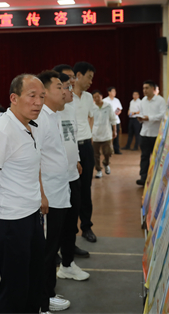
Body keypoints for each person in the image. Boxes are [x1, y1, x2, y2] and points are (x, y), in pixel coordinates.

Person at [0, 74, 47, 314]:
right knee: (15, 287)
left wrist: (41, 196)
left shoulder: (29, 125)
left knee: (34, 279)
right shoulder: (3, 131)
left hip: (31, 215)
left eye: (42, 97)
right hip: (11, 221)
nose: (38, 102)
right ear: (14, 98)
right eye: (32, 96)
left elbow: (32, 167)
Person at [33, 71, 73, 313]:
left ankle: (48, 294)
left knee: (52, 249)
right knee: (45, 253)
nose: (65, 91)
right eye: (60, 87)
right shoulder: (40, 119)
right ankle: (40, 303)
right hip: (48, 196)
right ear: (45, 92)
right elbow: (34, 159)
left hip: (58, 193)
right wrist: (41, 194)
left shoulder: (54, 116)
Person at [52, 64, 90, 260]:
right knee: (57, 218)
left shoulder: (72, 105)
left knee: (72, 214)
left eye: (70, 81)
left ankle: (69, 251)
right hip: (57, 174)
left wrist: (77, 159)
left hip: (72, 170)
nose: (71, 85)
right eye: (66, 84)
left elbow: (72, 136)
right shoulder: (50, 111)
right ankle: (55, 252)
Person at [72, 61, 97, 243]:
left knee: (86, 188)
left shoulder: (88, 97)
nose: (90, 82)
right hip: (71, 148)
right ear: (78, 75)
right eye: (89, 77)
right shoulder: (66, 97)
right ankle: (71, 230)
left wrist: (88, 135)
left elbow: (91, 117)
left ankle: (86, 227)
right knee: (74, 189)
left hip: (86, 147)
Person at [136, 80, 167, 186]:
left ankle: (156, 177)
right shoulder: (143, 101)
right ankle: (143, 177)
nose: (144, 90)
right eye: (143, 88)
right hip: (144, 133)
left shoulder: (160, 100)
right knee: (144, 156)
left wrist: (149, 118)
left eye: (147, 88)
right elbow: (142, 113)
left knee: (157, 157)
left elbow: (163, 115)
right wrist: (141, 118)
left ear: (153, 89)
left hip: (156, 134)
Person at [91, 90, 116, 179]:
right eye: (94, 97)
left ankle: (106, 163)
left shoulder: (108, 106)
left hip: (106, 133)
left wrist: (115, 130)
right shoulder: (92, 107)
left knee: (108, 152)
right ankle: (98, 170)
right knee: (96, 154)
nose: (96, 98)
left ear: (101, 96)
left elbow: (113, 119)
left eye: (98, 96)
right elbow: (89, 120)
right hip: (95, 134)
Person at [102, 87, 122, 155]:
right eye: (113, 91)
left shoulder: (117, 100)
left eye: (115, 91)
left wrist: (117, 112)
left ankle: (116, 149)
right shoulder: (105, 100)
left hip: (116, 120)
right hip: (107, 121)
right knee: (107, 136)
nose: (114, 93)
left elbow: (120, 109)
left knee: (116, 136)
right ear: (109, 92)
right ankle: (107, 150)